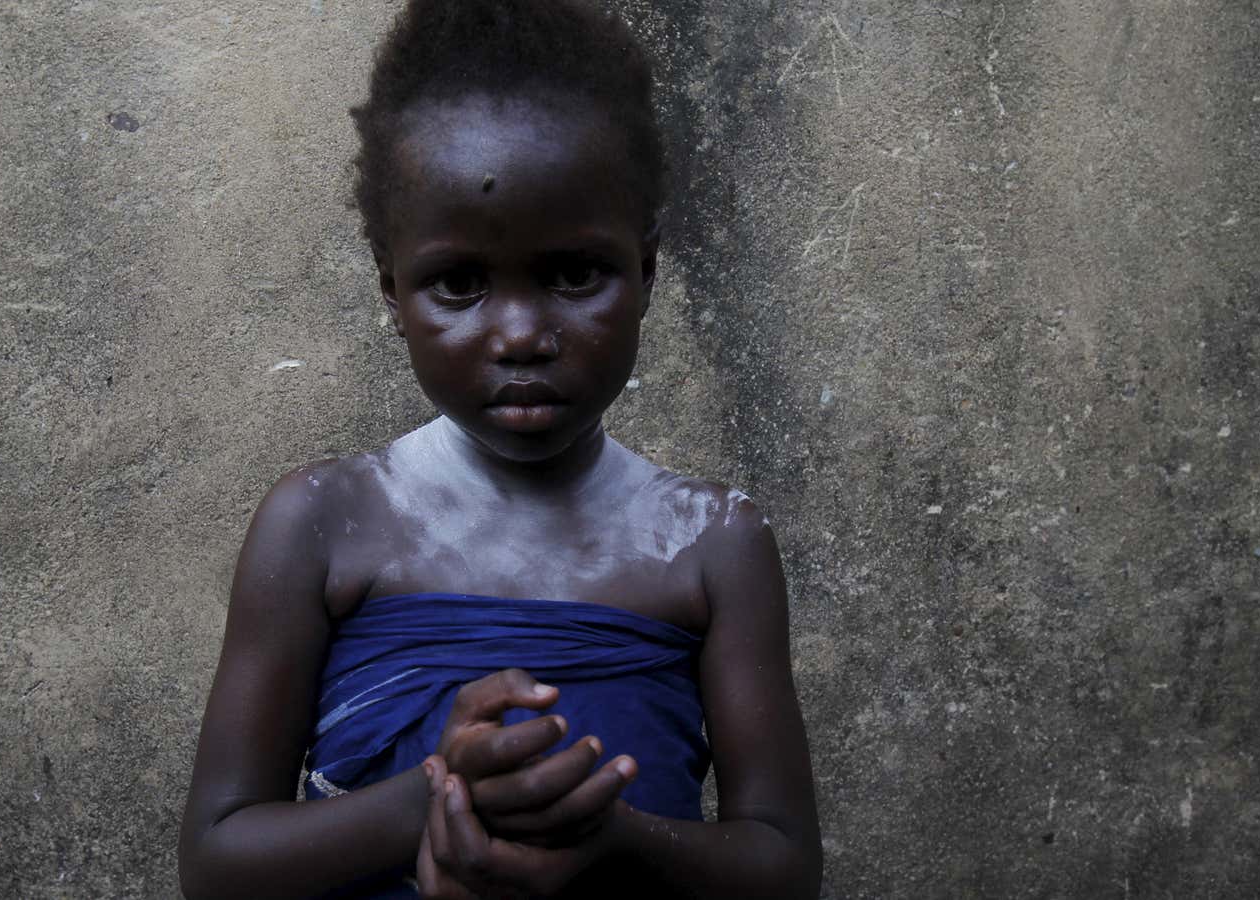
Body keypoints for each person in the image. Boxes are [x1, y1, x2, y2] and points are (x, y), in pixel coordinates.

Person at [179, 1, 821, 896]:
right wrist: (439, 798)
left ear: (646, 273)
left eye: (572, 274)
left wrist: (614, 837)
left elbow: (784, 866)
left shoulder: (714, 543)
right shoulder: (321, 524)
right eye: (459, 284)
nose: (520, 334)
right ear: (392, 293)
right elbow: (217, 862)